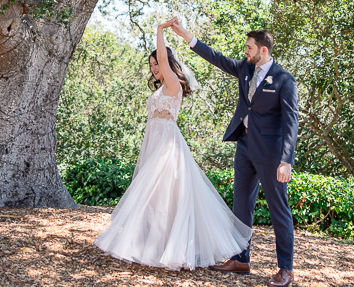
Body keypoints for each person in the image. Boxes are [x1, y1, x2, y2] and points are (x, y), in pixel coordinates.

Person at [94, 20, 251, 270]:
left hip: (167, 142)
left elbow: (165, 61)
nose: (155, 68)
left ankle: (169, 249)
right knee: (155, 195)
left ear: (167, 62)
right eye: (152, 65)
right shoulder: (161, 87)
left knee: (164, 193)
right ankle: (154, 244)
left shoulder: (173, 84)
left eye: (157, 62)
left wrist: (159, 30)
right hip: (153, 140)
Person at [168, 17, 299, 287]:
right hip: (245, 147)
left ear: (263, 50)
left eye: (249, 47)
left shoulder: (285, 80)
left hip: (272, 155)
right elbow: (216, 58)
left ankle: (286, 269)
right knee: (241, 207)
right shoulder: (245, 70)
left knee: (279, 211)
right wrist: (186, 36)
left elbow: (291, 122)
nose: (245, 51)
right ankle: (241, 258)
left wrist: (286, 160)